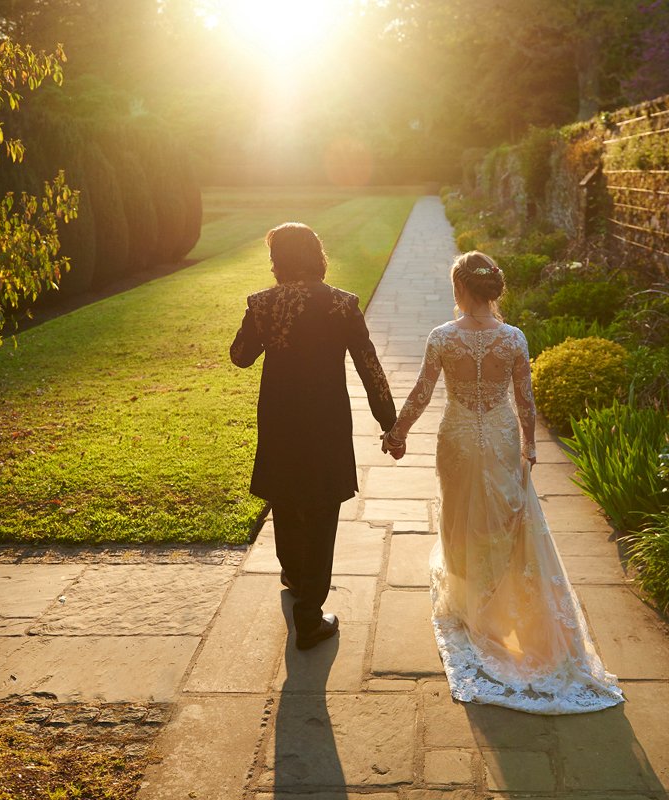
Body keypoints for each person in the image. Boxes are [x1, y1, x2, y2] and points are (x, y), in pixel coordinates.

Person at [382, 251, 623, 713]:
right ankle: (495, 599)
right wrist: (529, 446)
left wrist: (397, 434)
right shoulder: (513, 338)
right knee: (504, 522)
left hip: (457, 437)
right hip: (500, 437)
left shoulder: (442, 337)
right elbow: (525, 400)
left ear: (459, 287)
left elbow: (422, 393)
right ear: (491, 289)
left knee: (459, 516)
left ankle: (470, 602)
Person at [231, 222, 398, 650]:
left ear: (279, 261)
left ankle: (293, 575)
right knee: (323, 509)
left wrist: (257, 318)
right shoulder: (341, 303)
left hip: (280, 419)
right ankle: (309, 614)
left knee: (285, 497)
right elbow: (369, 365)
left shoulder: (263, 304)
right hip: (325, 421)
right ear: (317, 256)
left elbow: (240, 356)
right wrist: (388, 420)